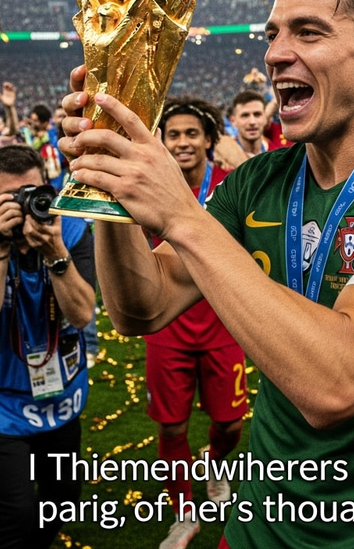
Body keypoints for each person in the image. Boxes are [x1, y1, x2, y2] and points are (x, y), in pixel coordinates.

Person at [60, 0, 354, 548]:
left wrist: (184, 217)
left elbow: (338, 383)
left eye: (308, 33)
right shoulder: (257, 181)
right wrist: (108, 172)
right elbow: (142, 307)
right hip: (260, 525)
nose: (275, 54)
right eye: (273, 35)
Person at [0, 144, 95, 548]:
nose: (28, 205)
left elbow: (82, 315)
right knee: (15, 511)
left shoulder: (71, 229)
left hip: (56, 386)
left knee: (63, 499)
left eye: (34, 192)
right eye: (14, 198)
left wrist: (55, 252)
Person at [146, 97, 248, 549]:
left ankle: (214, 460)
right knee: (170, 426)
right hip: (168, 328)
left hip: (225, 323)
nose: (183, 142)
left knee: (229, 424)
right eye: (174, 135)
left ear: (209, 139)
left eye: (192, 133)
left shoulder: (233, 184)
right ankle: (184, 513)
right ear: (163, 143)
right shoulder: (150, 187)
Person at [229, 90, 284, 157]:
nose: (252, 122)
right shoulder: (223, 159)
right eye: (245, 115)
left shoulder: (277, 153)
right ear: (233, 121)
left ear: (265, 118)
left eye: (257, 114)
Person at [26, 104, 64, 189]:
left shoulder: (55, 135)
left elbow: (59, 158)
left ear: (44, 121)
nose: (33, 123)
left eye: (35, 120)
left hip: (57, 182)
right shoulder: (34, 137)